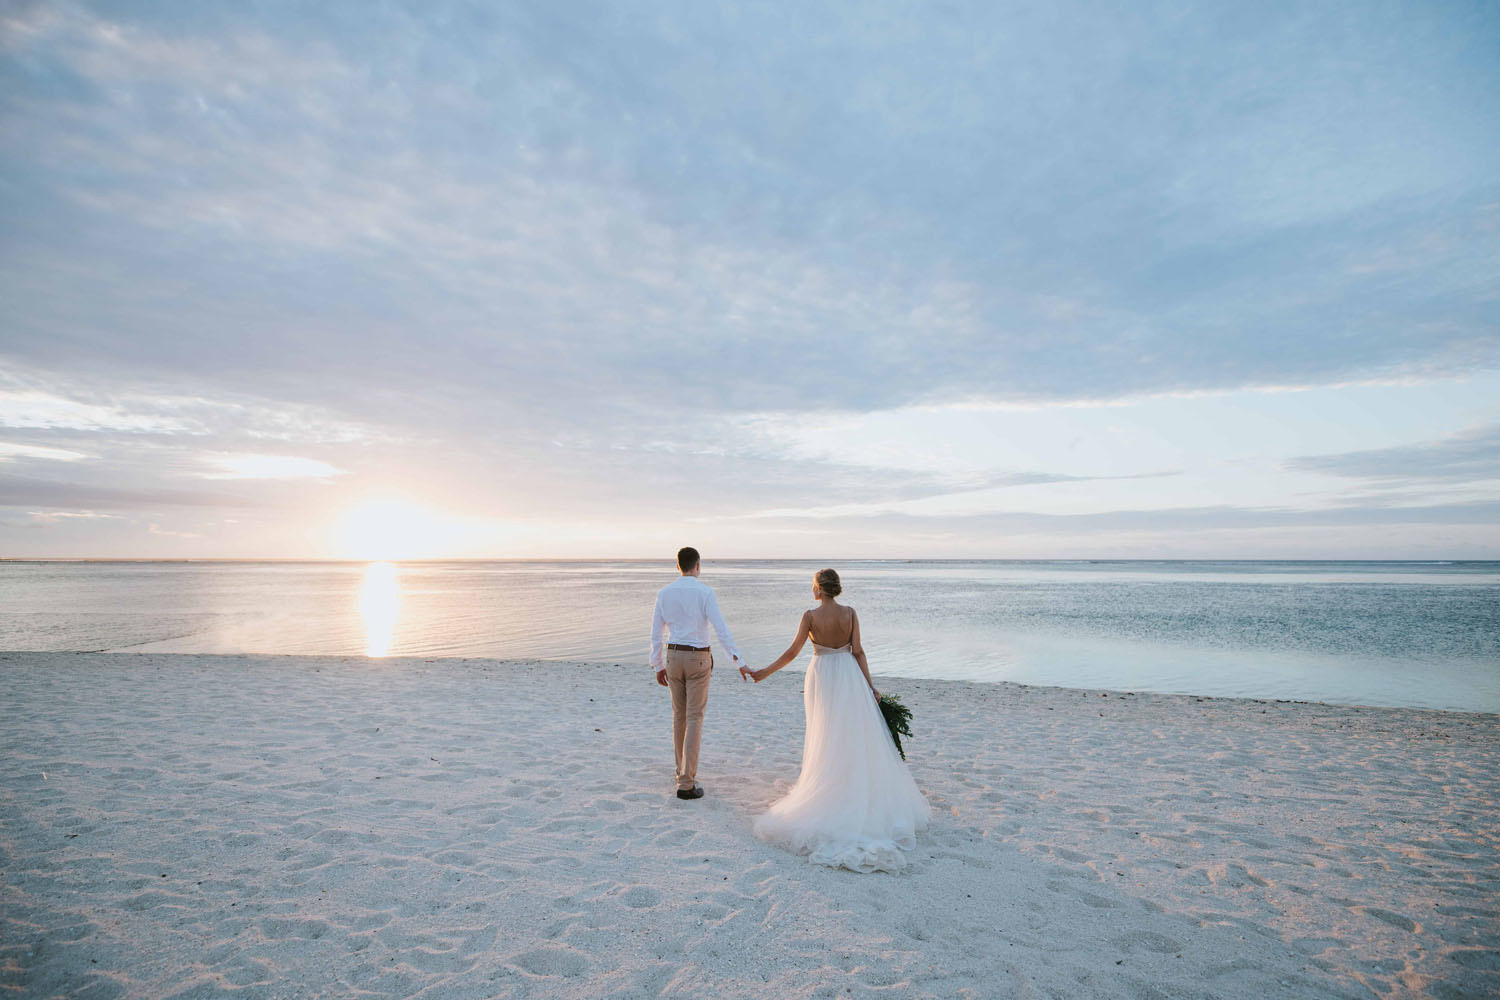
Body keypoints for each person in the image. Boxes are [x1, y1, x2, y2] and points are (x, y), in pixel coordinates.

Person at [740, 568, 929, 872]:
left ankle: (831, 784)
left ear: (818, 589)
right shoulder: (850, 613)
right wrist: (870, 686)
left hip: (823, 675)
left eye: (812, 585)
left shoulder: (810, 616)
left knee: (826, 735)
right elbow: (859, 652)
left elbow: (792, 652)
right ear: (836, 588)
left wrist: (764, 672)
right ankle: (849, 785)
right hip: (849, 676)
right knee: (852, 733)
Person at [649, 546, 744, 800]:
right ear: (698, 565)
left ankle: (681, 771)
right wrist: (738, 660)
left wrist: (657, 664)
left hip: (673, 656)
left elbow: (656, 632)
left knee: (679, 716)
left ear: (678, 566)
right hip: (698, 658)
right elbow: (721, 628)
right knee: (693, 718)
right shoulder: (705, 592)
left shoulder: (664, 593)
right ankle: (686, 783)